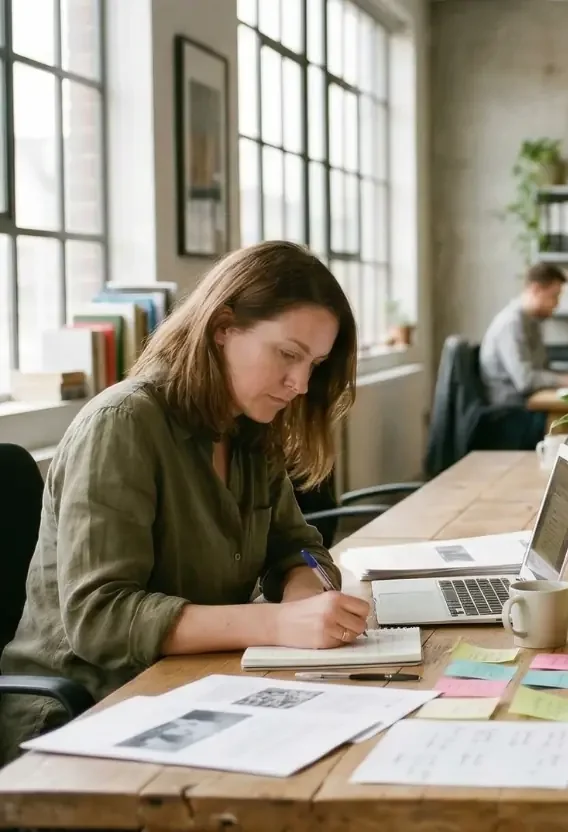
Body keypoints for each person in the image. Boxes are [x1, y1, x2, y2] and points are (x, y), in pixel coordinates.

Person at [0, 241, 371, 764]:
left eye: (314, 364)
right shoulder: (123, 424)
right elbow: (99, 618)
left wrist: (307, 596)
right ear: (222, 327)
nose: (300, 383)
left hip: (191, 691)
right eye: (288, 354)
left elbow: (298, 546)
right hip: (83, 715)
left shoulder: (249, 429)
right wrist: (276, 625)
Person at [479, 263, 568, 447]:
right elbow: (526, 381)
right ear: (536, 289)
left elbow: (542, 370)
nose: (556, 304)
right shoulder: (511, 324)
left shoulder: (531, 323)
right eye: (554, 296)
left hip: (529, 405)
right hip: (511, 414)